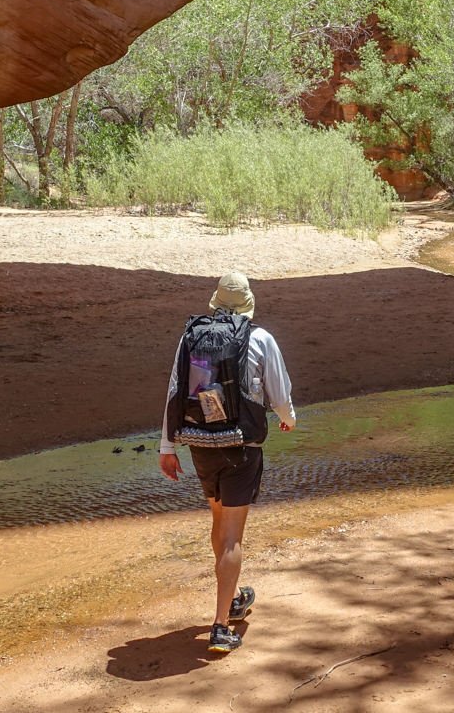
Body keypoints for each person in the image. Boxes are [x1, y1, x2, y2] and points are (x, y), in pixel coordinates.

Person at [158, 271, 296, 653]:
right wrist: (289, 418)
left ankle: (232, 597)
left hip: (199, 443)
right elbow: (279, 393)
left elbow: (174, 391)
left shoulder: (191, 336)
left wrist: (167, 447)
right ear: (248, 303)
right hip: (242, 445)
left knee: (218, 521)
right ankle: (221, 624)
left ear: (216, 302)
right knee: (234, 533)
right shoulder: (260, 338)